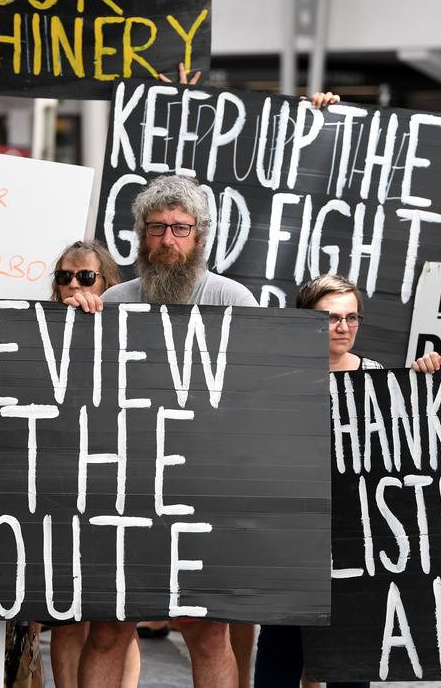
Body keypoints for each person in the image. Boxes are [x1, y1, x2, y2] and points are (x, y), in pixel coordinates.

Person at [65, 174, 258, 688]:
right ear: (140, 233)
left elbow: (256, 400)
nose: (167, 240)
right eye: (156, 228)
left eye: (180, 228)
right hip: (122, 489)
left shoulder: (233, 300)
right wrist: (74, 327)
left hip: (205, 492)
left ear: (201, 235)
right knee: (107, 627)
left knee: (208, 632)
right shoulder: (114, 302)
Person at [254, 272, 441, 688]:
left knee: (353, 654)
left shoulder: (380, 380)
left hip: (359, 546)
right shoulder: (278, 382)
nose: (343, 327)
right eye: (331, 317)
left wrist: (424, 383)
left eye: (352, 317)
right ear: (305, 320)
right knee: (282, 650)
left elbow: (405, 457)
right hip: (292, 541)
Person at [49, 240, 141, 688]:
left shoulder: (128, 329)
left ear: (107, 283)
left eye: (85, 277)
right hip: (60, 486)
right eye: (64, 276)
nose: (72, 285)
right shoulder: (34, 329)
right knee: (66, 616)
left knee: (116, 614)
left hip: (114, 488)